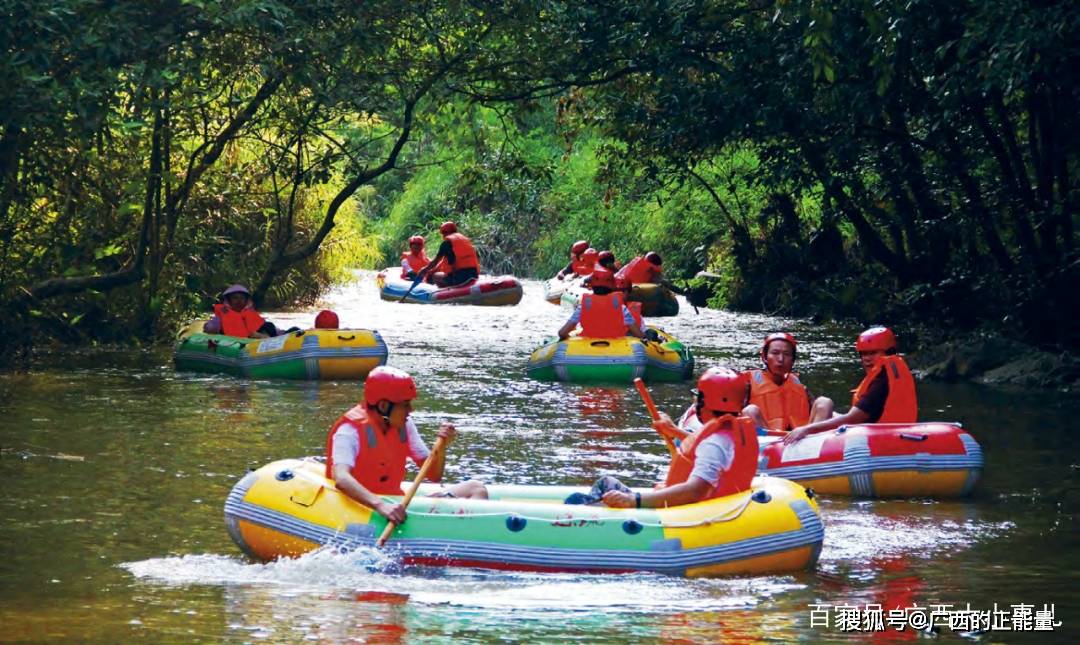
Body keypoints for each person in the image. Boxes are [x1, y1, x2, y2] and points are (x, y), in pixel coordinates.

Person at [570, 367, 759, 508]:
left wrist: (633, 500)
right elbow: (706, 448)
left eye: (698, 397)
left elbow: (695, 490)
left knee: (599, 487)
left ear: (706, 401)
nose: (696, 401)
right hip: (698, 506)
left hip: (678, 512)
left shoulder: (713, 443)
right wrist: (674, 431)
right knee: (600, 489)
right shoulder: (729, 434)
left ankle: (574, 524)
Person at [326, 366, 488, 524]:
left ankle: (472, 533)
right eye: (405, 405)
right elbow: (341, 478)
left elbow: (433, 475)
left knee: (476, 488)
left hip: (397, 503)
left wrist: (442, 447)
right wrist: (381, 506)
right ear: (383, 406)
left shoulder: (405, 425)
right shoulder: (349, 431)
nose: (411, 410)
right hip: (366, 507)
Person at [783, 326, 918, 444]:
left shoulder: (882, 381)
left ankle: (805, 446)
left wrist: (806, 429)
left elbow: (853, 419)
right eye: (863, 354)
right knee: (825, 405)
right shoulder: (892, 370)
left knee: (824, 418)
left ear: (888, 352)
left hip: (882, 440)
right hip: (891, 432)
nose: (867, 358)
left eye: (873, 353)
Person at [742, 333, 833, 433]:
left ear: (792, 359)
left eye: (786, 354)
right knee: (750, 410)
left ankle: (816, 442)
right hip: (769, 439)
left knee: (825, 402)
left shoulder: (799, 385)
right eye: (775, 353)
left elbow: (824, 412)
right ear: (765, 357)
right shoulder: (748, 383)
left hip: (803, 437)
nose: (781, 359)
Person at [557, 268, 644, 340]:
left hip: (586, 349)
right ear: (611, 287)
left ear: (592, 286)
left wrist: (569, 339)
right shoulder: (621, 308)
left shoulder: (584, 306)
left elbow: (562, 333)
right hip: (616, 348)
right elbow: (639, 335)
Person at [417, 221, 480, 287]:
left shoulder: (446, 243)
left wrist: (423, 270)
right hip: (474, 274)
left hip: (459, 278)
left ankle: (446, 292)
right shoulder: (465, 240)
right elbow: (444, 261)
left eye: (442, 233)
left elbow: (435, 262)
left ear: (444, 233)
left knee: (435, 276)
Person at [203, 284, 275, 338]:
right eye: (235, 298)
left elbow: (262, 324)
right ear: (229, 300)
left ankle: (265, 338)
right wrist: (210, 327)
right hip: (230, 340)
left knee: (269, 325)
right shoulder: (223, 313)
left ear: (246, 300)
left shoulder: (250, 312)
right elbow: (211, 326)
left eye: (242, 298)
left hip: (253, 337)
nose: (239, 301)